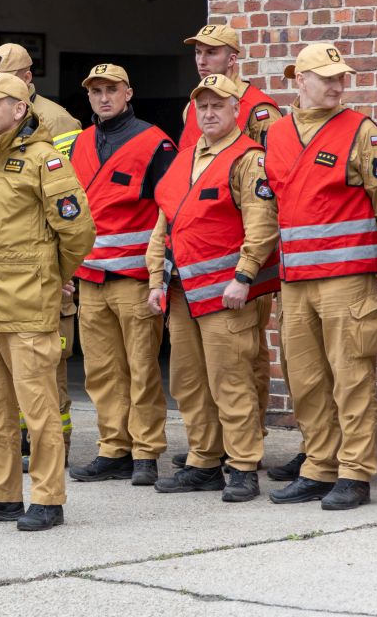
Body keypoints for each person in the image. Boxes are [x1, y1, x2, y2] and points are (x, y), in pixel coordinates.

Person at [0, 72, 95, 532]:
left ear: (19, 109)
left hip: (28, 307)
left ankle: (48, 499)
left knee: (39, 410)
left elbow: (78, 231)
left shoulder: (44, 160)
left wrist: (53, 276)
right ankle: (2, 494)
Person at [147, 75, 280, 503]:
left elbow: (262, 223)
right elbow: (164, 225)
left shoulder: (249, 158)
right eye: (202, 106)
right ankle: (204, 462)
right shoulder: (185, 157)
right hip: (183, 293)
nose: (208, 113)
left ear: (236, 111)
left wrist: (244, 276)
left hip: (226, 295)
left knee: (231, 381)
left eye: (218, 105)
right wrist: (155, 279)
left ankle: (242, 466)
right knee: (189, 382)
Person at [179, 23, 296, 480]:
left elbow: (270, 181)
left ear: (232, 58)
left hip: (243, 255)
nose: (201, 59)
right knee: (208, 365)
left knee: (245, 358)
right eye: (197, 52)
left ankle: (249, 443)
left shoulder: (259, 109)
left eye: (211, 52)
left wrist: (251, 264)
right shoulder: (195, 106)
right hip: (201, 256)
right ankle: (217, 446)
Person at [264, 44, 377, 510]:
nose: (337, 85)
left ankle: (354, 473)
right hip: (295, 280)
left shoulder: (362, 131)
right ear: (301, 80)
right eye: (327, 77)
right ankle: (318, 467)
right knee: (307, 380)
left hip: (346, 278)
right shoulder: (276, 133)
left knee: (351, 377)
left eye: (340, 77)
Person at [68, 64, 175, 487]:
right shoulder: (80, 143)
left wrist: (160, 277)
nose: (103, 97)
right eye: (96, 91)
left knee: (142, 370)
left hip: (134, 278)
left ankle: (145, 453)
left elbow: (171, 213)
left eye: (111, 89)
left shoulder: (155, 143)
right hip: (91, 278)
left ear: (128, 93)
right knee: (102, 372)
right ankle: (113, 449)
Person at [0, 44, 82, 467]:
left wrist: (62, 269)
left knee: (46, 364)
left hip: (42, 264)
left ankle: (53, 448)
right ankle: (16, 442)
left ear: (27, 78)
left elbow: (73, 200)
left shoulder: (59, 122)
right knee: (8, 366)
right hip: (5, 271)